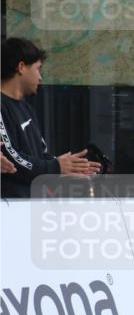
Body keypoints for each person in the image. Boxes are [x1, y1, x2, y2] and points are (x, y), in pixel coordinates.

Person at [2, 38, 101, 198]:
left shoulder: (26, 108)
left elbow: (41, 154)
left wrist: (68, 168)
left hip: (32, 206)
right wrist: (55, 167)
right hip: (10, 209)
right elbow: (10, 158)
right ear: (21, 67)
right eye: (38, 69)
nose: (40, 77)